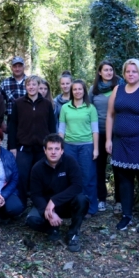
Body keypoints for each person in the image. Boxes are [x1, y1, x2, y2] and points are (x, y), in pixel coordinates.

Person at [106, 59, 139, 234]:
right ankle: (126, 215)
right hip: (120, 143)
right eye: (128, 71)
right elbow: (110, 115)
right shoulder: (117, 89)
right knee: (124, 180)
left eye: (134, 71)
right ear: (124, 73)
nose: (131, 74)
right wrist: (108, 140)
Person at [26, 134, 89, 252]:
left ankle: (73, 234)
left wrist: (54, 200)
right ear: (44, 150)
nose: (53, 152)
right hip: (47, 206)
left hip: (67, 204)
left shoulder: (70, 162)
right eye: (50, 149)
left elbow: (77, 186)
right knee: (31, 220)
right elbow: (35, 194)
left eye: (57, 149)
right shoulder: (37, 168)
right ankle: (52, 228)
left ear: (62, 151)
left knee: (82, 200)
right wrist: (50, 211)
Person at [8, 76, 57, 206]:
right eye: (28, 85)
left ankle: (40, 205)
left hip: (42, 148)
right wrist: (12, 147)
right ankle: (21, 204)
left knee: (41, 177)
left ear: (38, 86)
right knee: (22, 177)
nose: (31, 87)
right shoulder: (18, 103)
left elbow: (52, 126)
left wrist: (52, 146)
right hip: (24, 147)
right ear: (26, 87)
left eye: (34, 84)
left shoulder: (46, 104)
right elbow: (12, 126)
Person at [59, 79, 99, 216]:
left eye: (80, 89)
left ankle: (91, 208)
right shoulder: (65, 108)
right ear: (71, 91)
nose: (77, 91)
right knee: (70, 178)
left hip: (87, 146)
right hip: (69, 146)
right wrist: (60, 148)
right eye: (74, 89)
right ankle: (74, 206)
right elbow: (61, 130)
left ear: (84, 91)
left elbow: (95, 130)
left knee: (88, 177)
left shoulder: (91, 108)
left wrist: (96, 149)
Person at [89, 61, 122, 213]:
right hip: (98, 133)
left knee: (119, 167)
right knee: (99, 167)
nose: (109, 72)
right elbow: (87, 109)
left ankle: (119, 201)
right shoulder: (93, 90)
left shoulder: (121, 87)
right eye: (105, 70)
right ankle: (101, 198)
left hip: (118, 133)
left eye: (111, 69)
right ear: (100, 72)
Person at [0, 56, 27, 126]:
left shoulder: (30, 82)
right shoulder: (5, 83)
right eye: (15, 66)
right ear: (11, 68)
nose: (17, 69)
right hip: (12, 119)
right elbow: (0, 104)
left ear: (24, 67)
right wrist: (2, 121)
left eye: (20, 66)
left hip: (29, 118)